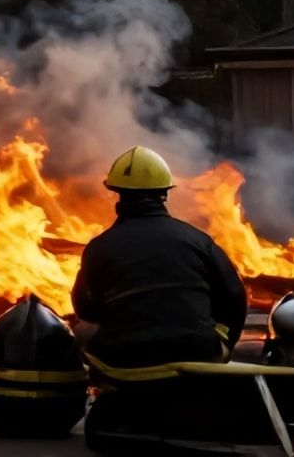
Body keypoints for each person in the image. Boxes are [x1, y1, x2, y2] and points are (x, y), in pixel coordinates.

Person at [72, 145, 248, 369]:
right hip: (198, 354)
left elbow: (85, 309)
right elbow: (234, 296)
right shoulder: (198, 241)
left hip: (126, 360)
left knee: (80, 331)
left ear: (117, 193)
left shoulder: (98, 248)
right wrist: (222, 343)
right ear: (164, 193)